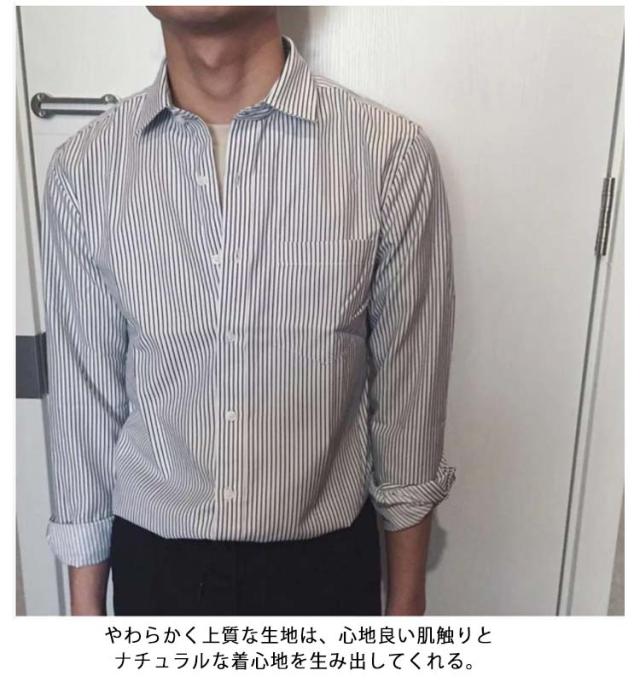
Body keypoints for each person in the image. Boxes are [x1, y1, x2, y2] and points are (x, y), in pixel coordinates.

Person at [40, 5, 457, 617]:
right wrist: (85, 619)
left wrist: (406, 607)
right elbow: (85, 399)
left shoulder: (389, 155)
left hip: (325, 565)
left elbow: (409, 394)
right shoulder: (84, 171)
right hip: (154, 565)